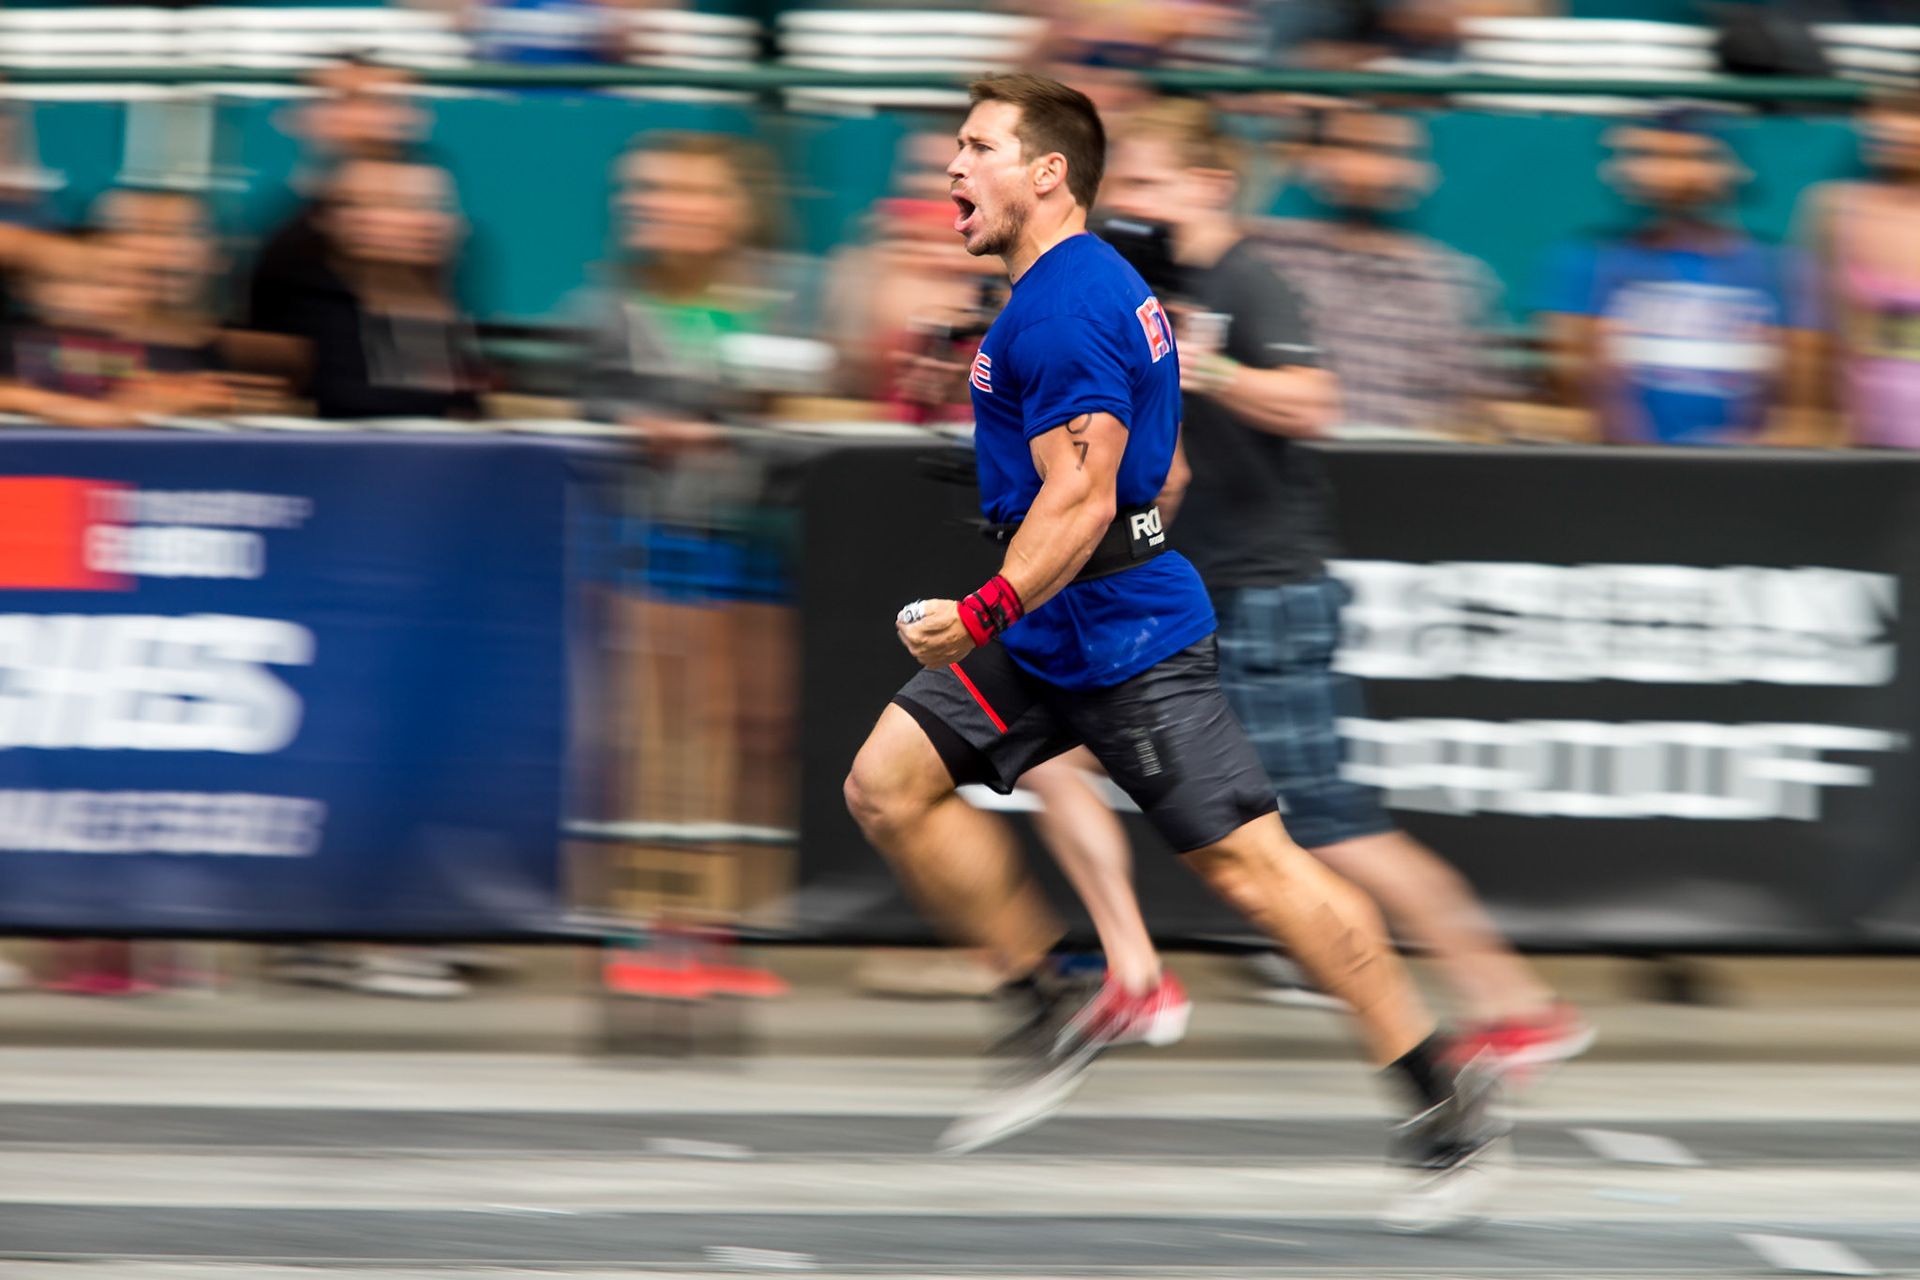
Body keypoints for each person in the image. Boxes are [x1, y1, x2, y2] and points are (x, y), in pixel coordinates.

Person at [842, 72, 1504, 1230]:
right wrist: (1027, 512)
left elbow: (1086, 497)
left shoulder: (1061, 307)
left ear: (1048, 173)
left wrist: (990, 601)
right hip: (1060, 616)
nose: (951, 166)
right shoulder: (1090, 284)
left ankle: (1443, 1095)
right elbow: (1162, 471)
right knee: (886, 784)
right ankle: (1046, 1000)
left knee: (1258, 870)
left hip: (1121, 635)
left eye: (976, 147)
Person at [1099, 95, 1592, 1070]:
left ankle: (1511, 998)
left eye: (1149, 182)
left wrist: (1210, 368)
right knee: (1084, 757)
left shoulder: (1251, 278)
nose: (1131, 201)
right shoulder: (1174, 281)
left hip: (1266, 592)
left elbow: (1315, 400)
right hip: (1209, 585)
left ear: (1211, 185)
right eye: (1125, 183)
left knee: (1331, 822)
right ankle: (1123, 968)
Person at [1537, 112, 1821, 446]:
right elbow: (1574, 393)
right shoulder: (1586, 260)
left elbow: (1804, 407)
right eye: (1647, 156)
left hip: (1745, 474)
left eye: (1692, 157)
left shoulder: (1780, 267)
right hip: (1625, 472)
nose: (1666, 172)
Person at [1253, 105, 1513, 439]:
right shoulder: (1267, 253)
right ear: (1315, 158)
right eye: (1349, 147)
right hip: (1287, 463)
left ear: (1421, 170)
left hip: (1405, 469)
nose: (1369, 167)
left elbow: (1479, 410)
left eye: (1390, 152)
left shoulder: (1459, 281)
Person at [263, 153, 485, 420]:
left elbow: (461, 410)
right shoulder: (316, 307)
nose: (431, 222)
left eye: (441, 207)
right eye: (407, 206)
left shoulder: (438, 311)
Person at [1796, 87, 1920, 449]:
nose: (1903, 130)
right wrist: (1816, 423)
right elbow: (1813, 335)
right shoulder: (1834, 209)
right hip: (1866, 441)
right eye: (1891, 116)